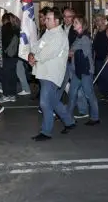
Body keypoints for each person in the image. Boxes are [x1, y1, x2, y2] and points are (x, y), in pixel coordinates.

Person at [29, 8, 75, 140]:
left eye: (48, 19)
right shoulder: (48, 33)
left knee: (44, 103)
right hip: (44, 72)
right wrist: (32, 54)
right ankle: (70, 122)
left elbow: (48, 53)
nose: (45, 21)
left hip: (52, 74)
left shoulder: (59, 35)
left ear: (56, 21)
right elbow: (37, 46)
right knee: (53, 101)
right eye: (46, 18)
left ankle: (46, 132)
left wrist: (35, 57)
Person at [68, 16, 100, 126]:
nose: (73, 24)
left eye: (75, 22)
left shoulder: (84, 38)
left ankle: (95, 117)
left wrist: (73, 52)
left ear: (82, 25)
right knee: (72, 93)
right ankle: (67, 116)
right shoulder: (79, 37)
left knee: (89, 94)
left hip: (85, 71)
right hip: (78, 70)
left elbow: (87, 55)